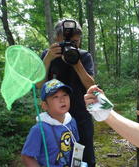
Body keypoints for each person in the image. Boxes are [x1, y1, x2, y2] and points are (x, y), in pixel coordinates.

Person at [36, 19, 96, 166]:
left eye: (75, 42)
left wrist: (76, 63)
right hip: (55, 119)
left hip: (81, 116)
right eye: (67, 41)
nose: (71, 45)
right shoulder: (47, 55)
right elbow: (38, 85)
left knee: (83, 155)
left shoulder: (84, 56)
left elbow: (91, 86)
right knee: (59, 155)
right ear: (57, 39)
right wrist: (48, 59)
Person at [21, 79, 79, 166]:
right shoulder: (39, 129)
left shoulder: (71, 121)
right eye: (55, 97)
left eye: (65, 95)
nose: (62, 99)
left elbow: (76, 146)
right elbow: (27, 156)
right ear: (45, 105)